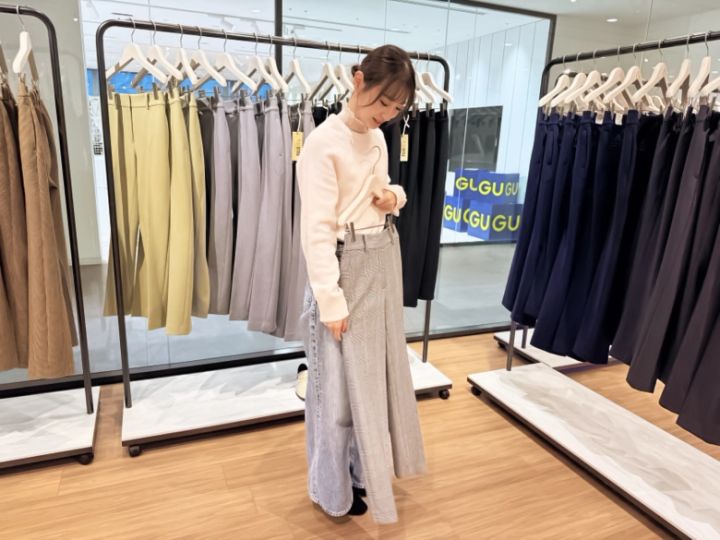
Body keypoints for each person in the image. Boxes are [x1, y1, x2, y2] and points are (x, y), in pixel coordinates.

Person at [296, 45, 426, 525]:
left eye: (397, 109)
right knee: (333, 398)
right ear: (358, 81)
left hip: (379, 260)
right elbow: (315, 230)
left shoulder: (377, 138)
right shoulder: (322, 143)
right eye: (382, 103)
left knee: (367, 388)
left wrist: (393, 196)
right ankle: (328, 489)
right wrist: (330, 301)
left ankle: (357, 473)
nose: (386, 115)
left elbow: (382, 189)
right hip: (341, 264)